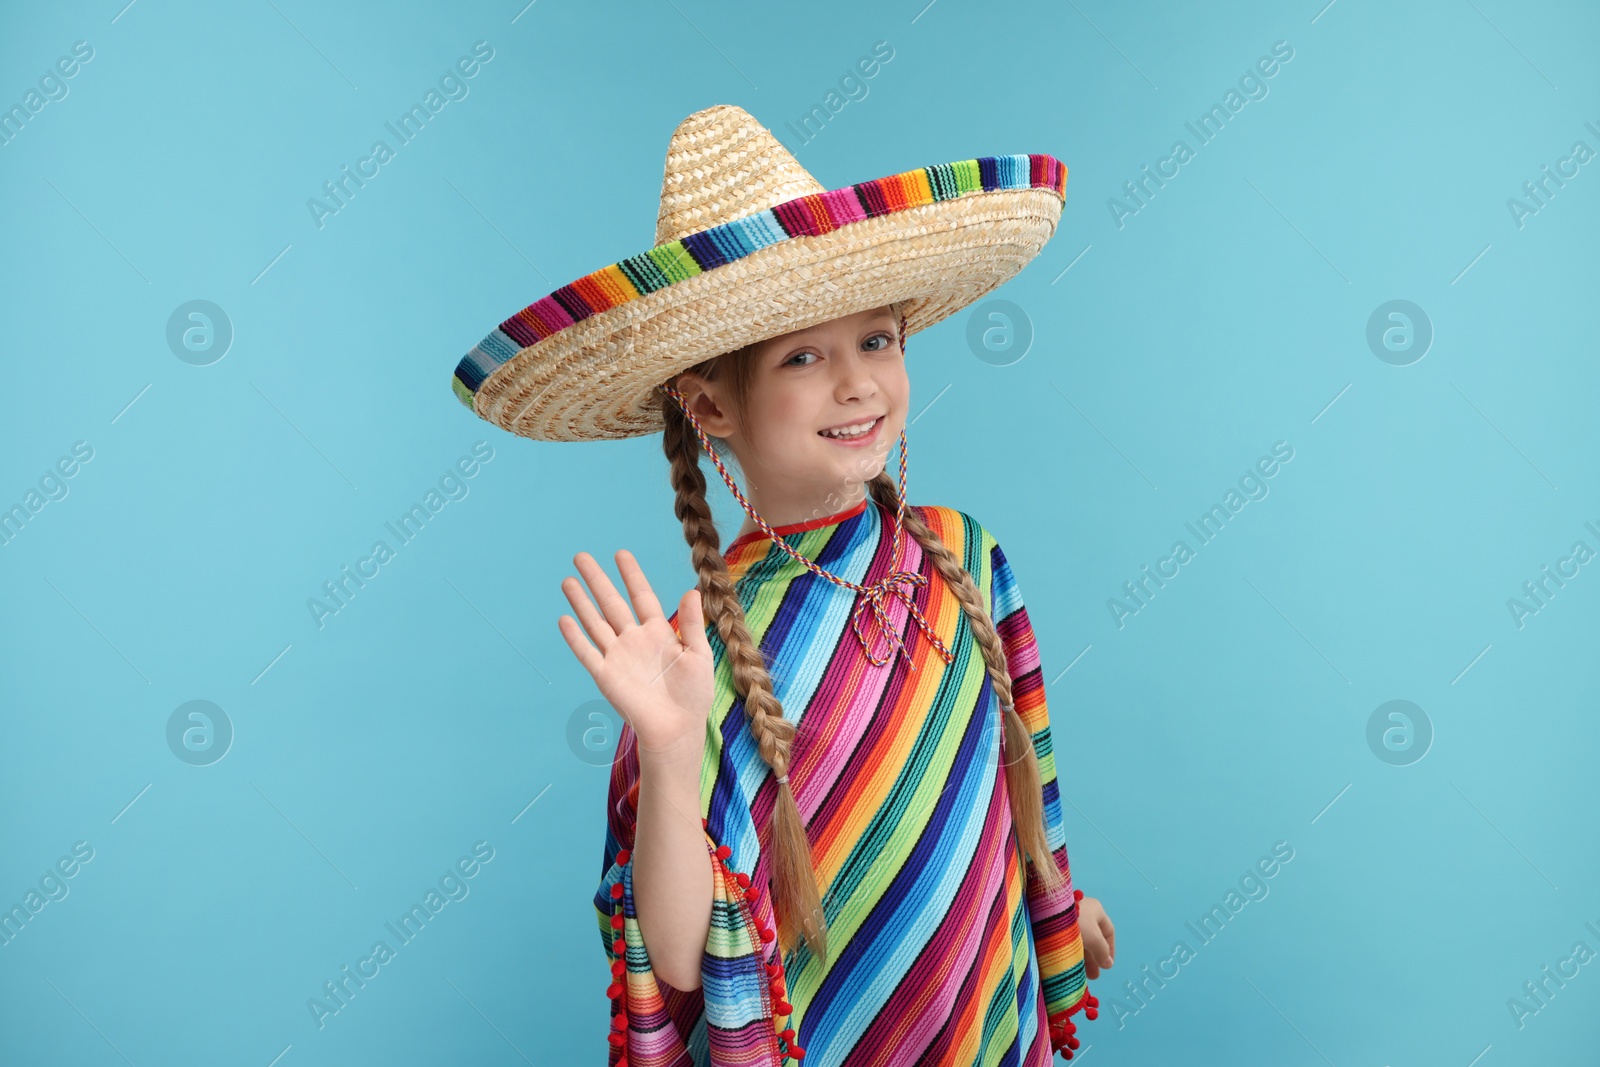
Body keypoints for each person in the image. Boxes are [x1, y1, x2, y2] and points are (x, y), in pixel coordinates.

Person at [449, 104, 1115, 1066]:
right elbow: (679, 957)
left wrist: (1056, 906)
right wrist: (672, 748)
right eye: (803, 356)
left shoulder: (964, 555)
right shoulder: (703, 655)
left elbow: (1003, 794)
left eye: (877, 340)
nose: (857, 383)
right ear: (713, 403)